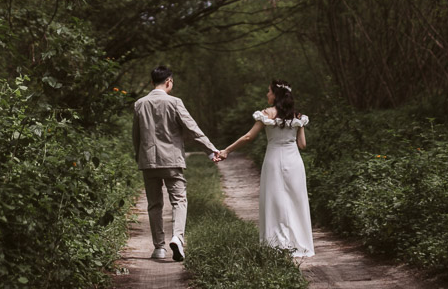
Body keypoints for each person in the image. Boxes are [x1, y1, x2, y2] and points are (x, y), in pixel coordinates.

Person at [132, 65, 226, 262]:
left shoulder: (139, 104)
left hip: (148, 162)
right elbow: (192, 129)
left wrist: (139, 157)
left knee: (154, 204)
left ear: (151, 82)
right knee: (179, 201)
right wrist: (211, 150)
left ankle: (159, 248)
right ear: (169, 81)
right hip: (172, 160)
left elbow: (136, 137)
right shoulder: (175, 102)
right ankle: (177, 237)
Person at [219, 79, 313, 257]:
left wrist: (227, 150)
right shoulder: (298, 117)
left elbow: (248, 137)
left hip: (274, 159)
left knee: (274, 200)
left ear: (276, 94)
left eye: (269, 91)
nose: (267, 94)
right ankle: (298, 243)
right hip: (294, 161)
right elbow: (302, 145)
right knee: (295, 200)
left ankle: (276, 243)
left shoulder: (266, 114)